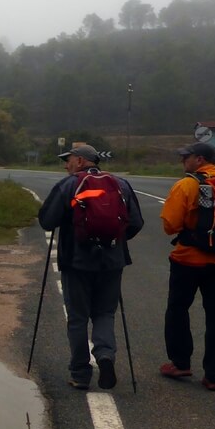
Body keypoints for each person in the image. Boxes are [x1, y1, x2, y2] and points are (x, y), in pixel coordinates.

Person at [38, 144, 145, 390]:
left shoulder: (69, 185)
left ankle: (80, 374)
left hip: (76, 262)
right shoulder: (121, 185)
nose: (66, 165)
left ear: (80, 160)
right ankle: (105, 357)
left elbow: (47, 221)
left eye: (68, 160)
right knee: (105, 313)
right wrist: (112, 241)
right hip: (112, 262)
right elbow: (136, 222)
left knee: (77, 318)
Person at [159, 142, 215, 391]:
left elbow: (169, 225)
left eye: (185, 157)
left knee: (178, 309)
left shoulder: (187, 184)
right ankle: (214, 374)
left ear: (199, 159)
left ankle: (180, 362)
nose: (182, 161)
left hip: (188, 259)